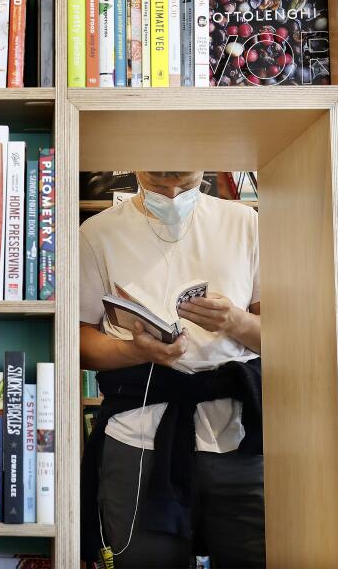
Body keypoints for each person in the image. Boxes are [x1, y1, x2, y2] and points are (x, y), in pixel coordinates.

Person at [79, 171, 264, 569]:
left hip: (239, 433)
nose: (170, 179)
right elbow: (77, 343)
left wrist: (235, 321)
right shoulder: (97, 232)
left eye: (180, 170)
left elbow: (291, 340)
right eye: (158, 170)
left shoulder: (247, 223)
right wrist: (136, 352)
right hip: (138, 435)